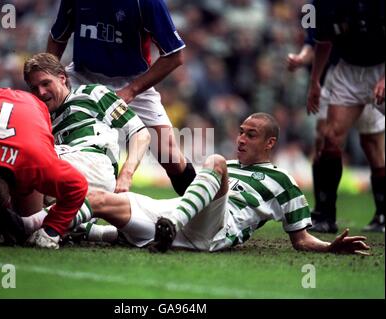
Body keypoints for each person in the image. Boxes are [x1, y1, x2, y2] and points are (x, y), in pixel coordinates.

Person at [23, 113, 370, 255]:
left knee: (214, 163)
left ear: (269, 143)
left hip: (212, 231)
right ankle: (35, 229)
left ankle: (168, 226)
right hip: (177, 212)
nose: (241, 139)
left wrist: (328, 248)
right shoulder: (229, 165)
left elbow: (300, 238)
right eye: (241, 132)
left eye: (251, 135)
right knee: (98, 198)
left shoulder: (284, 180)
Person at [46, 0, 196, 195]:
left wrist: (131, 90)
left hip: (132, 80)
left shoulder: (147, 3)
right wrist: (49, 77)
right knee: (54, 143)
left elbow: (175, 56)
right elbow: (58, 37)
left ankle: (200, 213)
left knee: (170, 157)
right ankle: (47, 215)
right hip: (81, 76)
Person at [287, 26, 385, 233]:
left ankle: (382, 214)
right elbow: (317, 40)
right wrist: (304, 61)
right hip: (334, 74)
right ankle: (323, 211)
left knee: (371, 142)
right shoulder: (322, 6)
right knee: (326, 138)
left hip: (376, 70)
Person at [0, 88, 88, 249]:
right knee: (26, 223)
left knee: (26, 219)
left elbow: (78, 187)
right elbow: (78, 185)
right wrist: (53, 228)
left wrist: (52, 229)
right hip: (7, 106)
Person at [23, 53, 151, 193]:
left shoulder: (93, 93)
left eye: (46, 83)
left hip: (93, 165)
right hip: (63, 173)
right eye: (34, 88)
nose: (41, 92)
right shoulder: (41, 119)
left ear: (62, 78)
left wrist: (126, 175)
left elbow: (140, 133)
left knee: (29, 160)